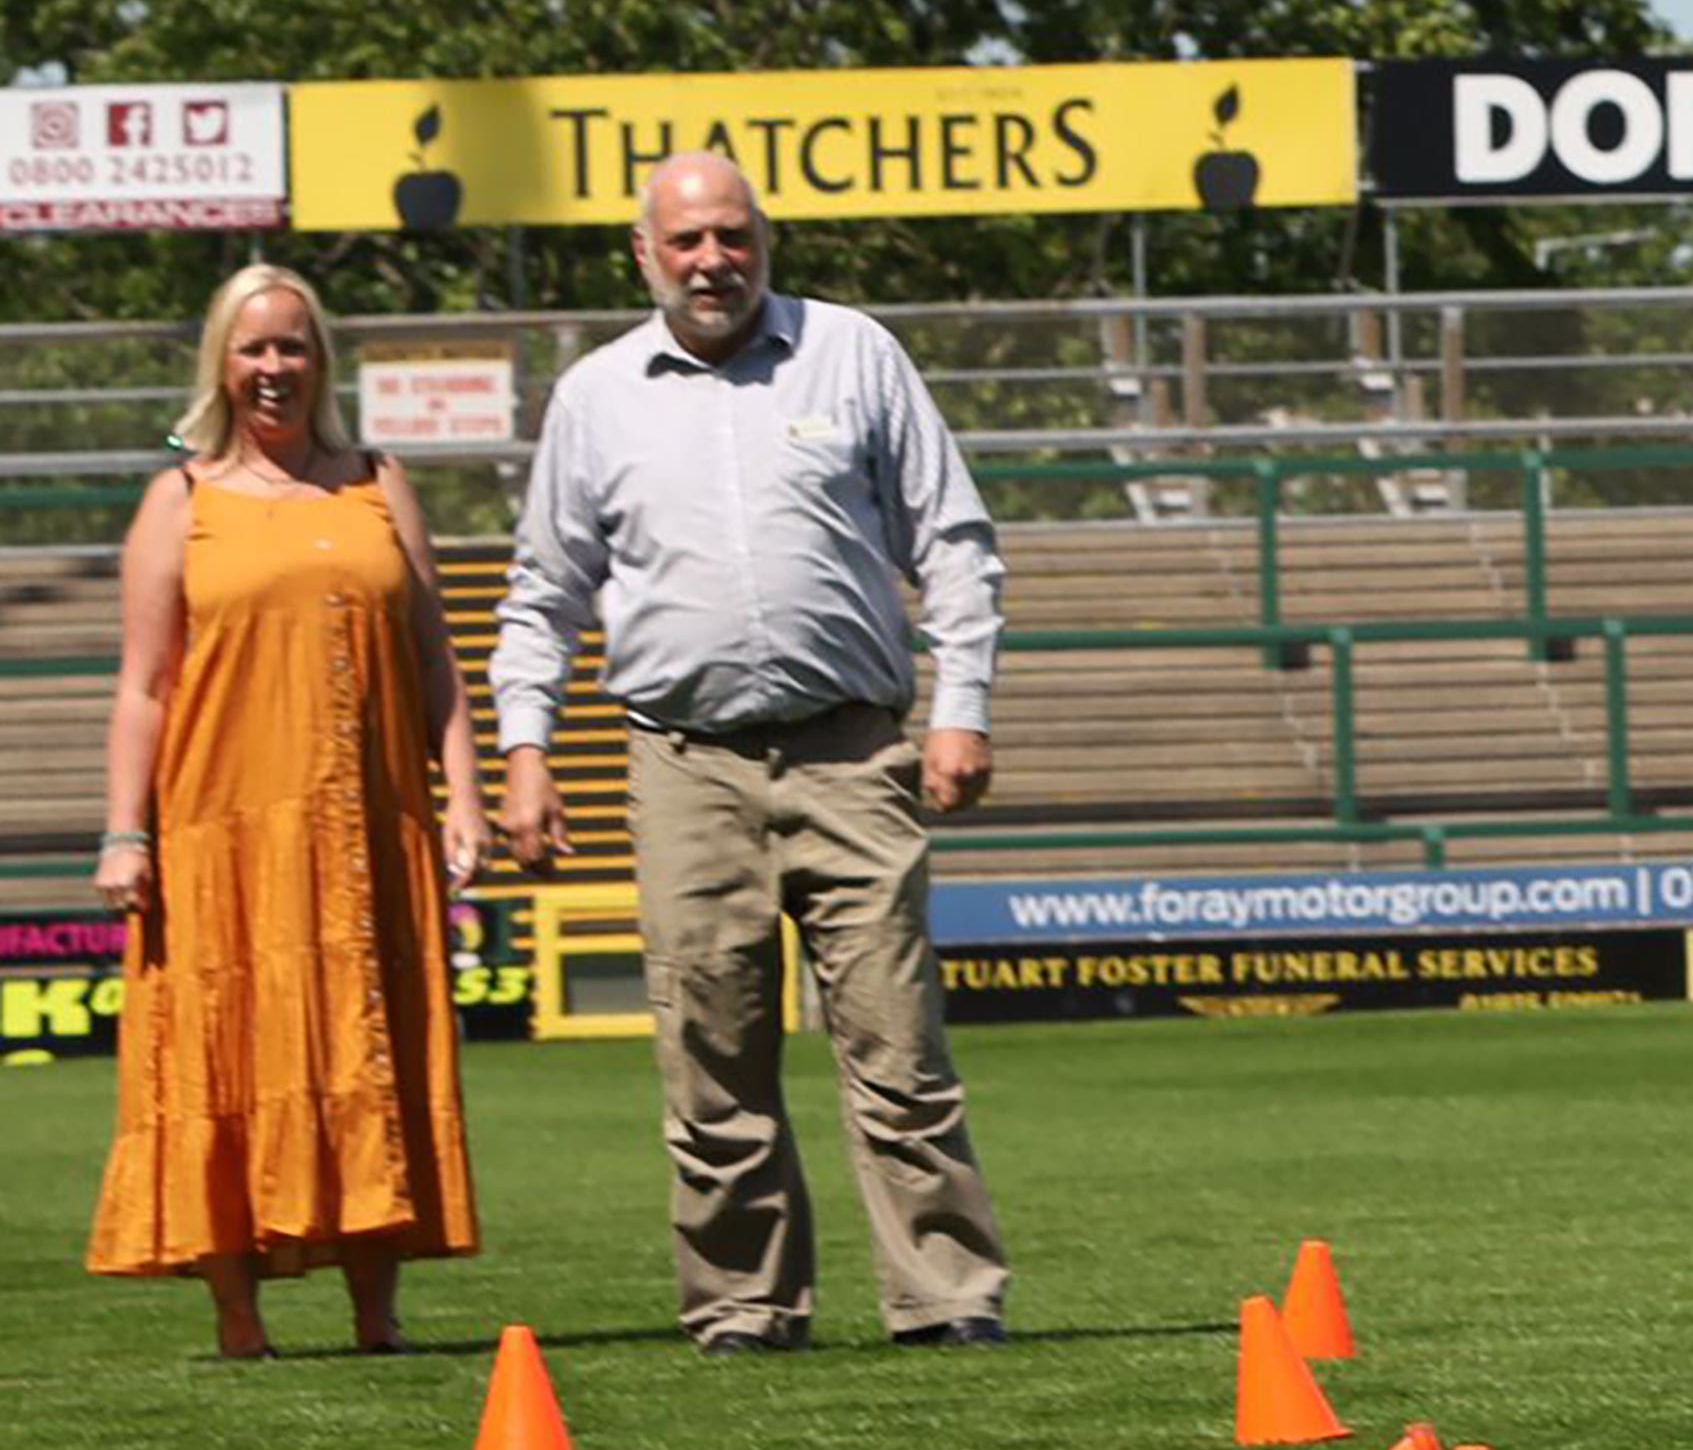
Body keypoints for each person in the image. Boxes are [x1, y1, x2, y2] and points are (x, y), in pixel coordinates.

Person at [491, 152, 1014, 1355]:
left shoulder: (854, 354)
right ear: (645, 255)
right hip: (685, 763)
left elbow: (956, 540)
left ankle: (946, 1297)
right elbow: (543, 597)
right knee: (710, 1053)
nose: (712, 261)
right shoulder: (596, 397)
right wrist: (527, 753)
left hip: (852, 749)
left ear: (764, 242)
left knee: (897, 1044)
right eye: (686, 243)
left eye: (733, 236)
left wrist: (962, 705)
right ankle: (744, 1304)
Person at [88, 263, 486, 1357]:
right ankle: (239, 1320)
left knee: (374, 1050)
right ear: (222, 362)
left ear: (323, 360)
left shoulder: (376, 482)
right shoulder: (181, 501)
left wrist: (464, 796)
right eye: (254, 348)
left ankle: (377, 1315)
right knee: (222, 1053)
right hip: (220, 832)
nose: (275, 368)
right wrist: (127, 833)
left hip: (370, 828)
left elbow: (434, 654)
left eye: (295, 346)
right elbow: (144, 684)